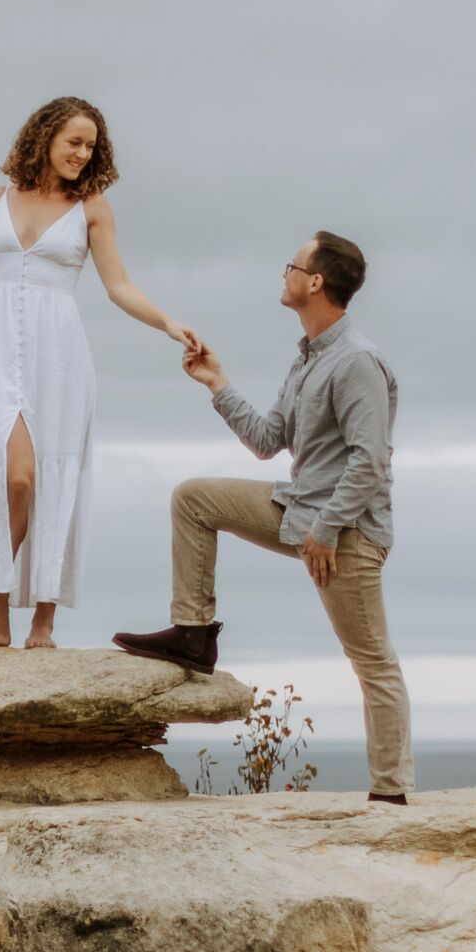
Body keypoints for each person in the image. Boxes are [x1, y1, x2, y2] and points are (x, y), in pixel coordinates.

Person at [113, 232, 414, 804]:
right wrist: (217, 383)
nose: (285, 274)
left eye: (291, 266)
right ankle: (194, 635)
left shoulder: (357, 362)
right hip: (299, 510)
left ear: (315, 281)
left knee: (372, 662)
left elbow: (371, 460)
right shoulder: (308, 358)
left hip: (345, 532)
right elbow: (267, 440)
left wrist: (326, 530)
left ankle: (392, 795)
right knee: (193, 497)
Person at [0, 97, 203, 648]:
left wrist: (169, 324)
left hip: (60, 360)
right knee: (16, 479)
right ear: (45, 137)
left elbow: (118, 285)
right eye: (74, 142)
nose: (82, 153)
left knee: (53, 481)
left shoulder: (91, 207)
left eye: (91, 147)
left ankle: (44, 620)